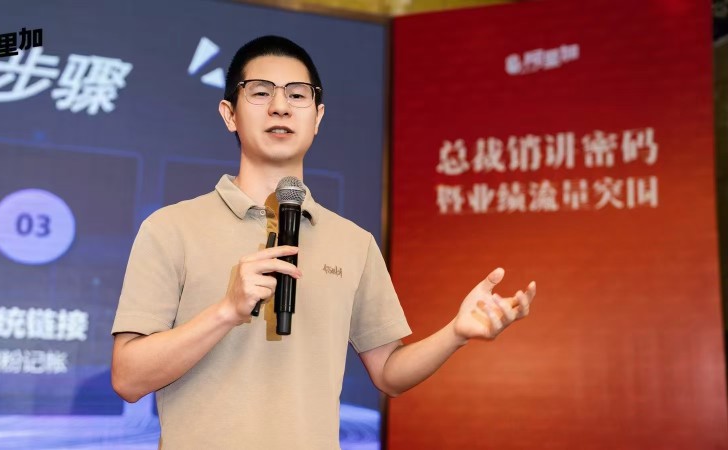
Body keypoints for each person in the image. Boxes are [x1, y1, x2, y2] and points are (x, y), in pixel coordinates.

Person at [110, 35, 536, 449]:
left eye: (297, 95)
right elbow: (128, 378)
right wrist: (226, 311)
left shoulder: (353, 242)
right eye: (260, 92)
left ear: (317, 117)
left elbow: (389, 372)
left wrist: (455, 333)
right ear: (229, 114)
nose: (280, 106)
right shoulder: (170, 228)